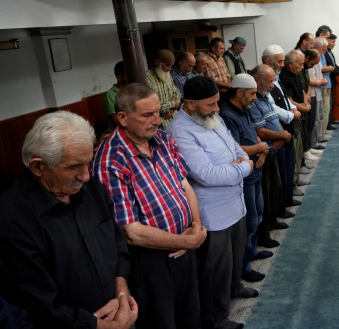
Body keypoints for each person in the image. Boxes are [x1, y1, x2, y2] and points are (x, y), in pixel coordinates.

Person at [0, 111, 137, 329]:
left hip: (120, 313)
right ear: (38, 167)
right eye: (74, 166)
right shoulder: (11, 221)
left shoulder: (92, 189)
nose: (85, 176)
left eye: (87, 163)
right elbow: (39, 304)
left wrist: (122, 294)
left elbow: (117, 246)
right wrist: (102, 326)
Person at [93, 83, 206, 329]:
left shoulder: (163, 139)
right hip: (150, 260)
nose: (157, 120)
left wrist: (195, 227)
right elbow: (130, 232)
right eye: (147, 115)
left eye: (157, 112)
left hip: (185, 245)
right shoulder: (110, 160)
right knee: (161, 322)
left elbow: (185, 185)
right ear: (122, 118)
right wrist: (187, 241)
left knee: (189, 315)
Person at [166, 77, 256, 329]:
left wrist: (240, 161)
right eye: (211, 104)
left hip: (234, 203)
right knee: (213, 269)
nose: (218, 108)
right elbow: (206, 175)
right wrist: (244, 169)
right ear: (191, 104)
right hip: (212, 212)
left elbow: (235, 146)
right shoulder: (179, 131)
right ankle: (216, 318)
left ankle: (235, 288)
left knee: (234, 256)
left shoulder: (212, 117)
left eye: (218, 102)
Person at [219, 74, 273, 283]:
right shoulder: (226, 114)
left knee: (258, 214)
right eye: (251, 94)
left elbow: (254, 134)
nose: (254, 98)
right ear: (239, 93)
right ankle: (244, 267)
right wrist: (259, 148)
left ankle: (251, 252)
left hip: (256, 169)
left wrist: (262, 150)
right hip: (245, 176)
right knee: (249, 222)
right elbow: (233, 148)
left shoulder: (244, 109)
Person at [248, 65, 295, 243]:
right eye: (269, 82)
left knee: (276, 189)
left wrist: (283, 136)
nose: (272, 86)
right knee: (265, 196)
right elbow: (261, 131)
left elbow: (275, 119)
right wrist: (282, 135)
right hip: (263, 155)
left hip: (274, 151)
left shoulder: (266, 97)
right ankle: (264, 233)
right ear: (257, 81)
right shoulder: (253, 102)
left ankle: (273, 221)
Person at [261, 47, 301, 217]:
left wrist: (293, 110)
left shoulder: (276, 78)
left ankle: (288, 199)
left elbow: (286, 99)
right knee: (281, 173)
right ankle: (281, 207)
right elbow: (272, 108)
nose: (283, 64)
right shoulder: (264, 79)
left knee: (289, 168)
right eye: (280, 61)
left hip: (286, 129)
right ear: (268, 61)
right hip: (278, 133)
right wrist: (291, 115)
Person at [279, 50, 312, 191]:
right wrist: (304, 108)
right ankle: (293, 183)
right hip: (293, 116)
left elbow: (302, 91)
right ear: (290, 64)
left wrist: (306, 102)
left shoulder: (295, 73)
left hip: (300, 112)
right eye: (300, 64)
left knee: (299, 148)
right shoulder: (284, 76)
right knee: (295, 150)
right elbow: (289, 99)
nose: (302, 67)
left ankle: (297, 178)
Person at [146, 49, 181, 130]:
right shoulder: (147, 79)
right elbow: (152, 107)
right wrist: (173, 104)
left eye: (171, 65)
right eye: (168, 65)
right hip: (160, 126)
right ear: (157, 62)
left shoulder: (167, 74)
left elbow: (176, 93)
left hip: (174, 121)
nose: (170, 69)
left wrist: (172, 109)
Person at [301, 49, 322, 163]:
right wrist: (307, 98)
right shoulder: (301, 66)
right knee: (306, 125)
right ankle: (305, 150)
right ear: (307, 58)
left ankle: (308, 147)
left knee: (311, 123)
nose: (312, 66)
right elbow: (304, 84)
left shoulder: (306, 67)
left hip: (309, 96)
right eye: (313, 63)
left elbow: (308, 83)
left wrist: (308, 97)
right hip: (304, 99)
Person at [309, 37, 329, 152]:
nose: (324, 52)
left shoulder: (319, 59)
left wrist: (321, 80)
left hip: (319, 91)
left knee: (320, 116)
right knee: (315, 119)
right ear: (317, 48)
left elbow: (320, 72)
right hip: (314, 92)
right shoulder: (313, 58)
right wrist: (320, 81)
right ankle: (314, 143)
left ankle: (318, 138)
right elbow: (313, 76)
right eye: (323, 49)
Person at [103, 60, 128, 130]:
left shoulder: (131, 90)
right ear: (119, 78)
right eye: (127, 76)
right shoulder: (110, 95)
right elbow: (117, 123)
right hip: (121, 134)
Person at [325, 33, 339, 126]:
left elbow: (334, 66)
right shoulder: (324, 53)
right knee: (328, 103)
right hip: (327, 80)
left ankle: (329, 121)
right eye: (333, 42)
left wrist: (335, 70)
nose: (334, 44)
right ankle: (327, 124)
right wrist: (334, 70)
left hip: (332, 80)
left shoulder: (330, 52)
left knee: (331, 102)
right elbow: (329, 68)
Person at [319, 37, 333, 136]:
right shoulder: (316, 54)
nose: (325, 51)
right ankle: (321, 135)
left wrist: (329, 68)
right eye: (323, 49)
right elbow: (322, 68)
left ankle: (323, 133)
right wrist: (329, 68)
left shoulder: (323, 53)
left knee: (326, 109)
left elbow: (326, 68)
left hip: (327, 83)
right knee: (323, 110)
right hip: (322, 85)